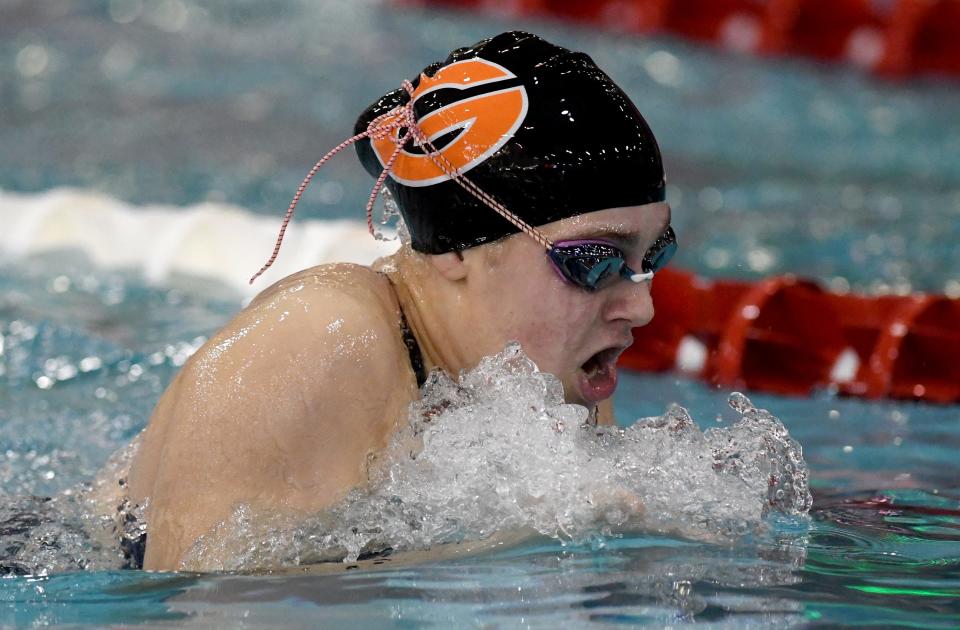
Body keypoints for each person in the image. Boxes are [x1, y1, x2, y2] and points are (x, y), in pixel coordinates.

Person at [124, 31, 677, 571]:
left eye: (654, 255)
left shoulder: (555, 374)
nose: (641, 306)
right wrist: (520, 541)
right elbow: (194, 602)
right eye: (594, 262)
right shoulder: (321, 337)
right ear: (457, 248)